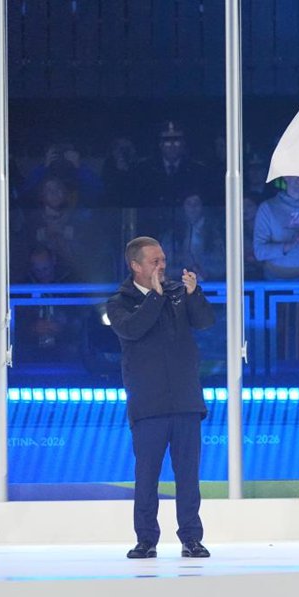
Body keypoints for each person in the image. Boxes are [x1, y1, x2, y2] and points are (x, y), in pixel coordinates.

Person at [106, 236, 216, 559]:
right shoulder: (120, 302)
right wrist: (154, 298)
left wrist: (194, 295)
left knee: (188, 476)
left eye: (164, 260)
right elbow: (133, 329)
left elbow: (205, 321)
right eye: (155, 261)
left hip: (185, 400)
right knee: (147, 476)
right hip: (149, 404)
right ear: (136, 266)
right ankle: (146, 539)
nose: (162, 266)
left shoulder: (177, 294)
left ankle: (191, 538)